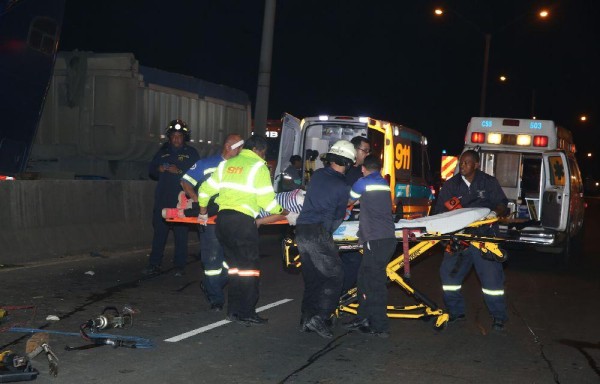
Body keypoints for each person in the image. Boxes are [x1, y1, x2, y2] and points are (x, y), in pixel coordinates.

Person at [197, 135, 289, 325]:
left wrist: (203, 213)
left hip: (222, 222)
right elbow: (266, 201)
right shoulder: (258, 167)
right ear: (258, 150)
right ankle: (246, 311)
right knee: (249, 270)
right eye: (264, 153)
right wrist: (282, 211)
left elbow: (204, 191)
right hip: (242, 222)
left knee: (235, 270)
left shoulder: (225, 165)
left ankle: (233, 311)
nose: (264, 156)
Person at [434, 150, 509, 331]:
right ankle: (456, 312)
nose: (463, 166)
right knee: (448, 277)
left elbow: (502, 204)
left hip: (484, 237)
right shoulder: (451, 185)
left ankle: (499, 317)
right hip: (459, 239)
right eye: (461, 163)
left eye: (467, 163)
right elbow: (439, 211)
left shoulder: (488, 182)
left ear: (476, 165)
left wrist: (494, 213)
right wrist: (443, 236)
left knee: (492, 283)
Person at [295, 140, 356, 339]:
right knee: (334, 276)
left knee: (313, 277)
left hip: (302, 230)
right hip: (318, 232)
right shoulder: (342, 186)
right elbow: (337, 217)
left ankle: (306, 318)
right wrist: (327, 235)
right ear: (347, 163)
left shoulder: (318, 175)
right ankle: (320, 317)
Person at [180, 134, 244, 311]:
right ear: (230, 147)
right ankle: (215, 297)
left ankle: (210, 284)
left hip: (233, 220)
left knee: (234, 260)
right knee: (213, 261)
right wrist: (198, 199)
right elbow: (185, 181)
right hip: (211, 221)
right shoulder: (206, 164)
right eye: (239, 148)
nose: (241, 151)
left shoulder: (240, 166)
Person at [343, 155, 397, 338]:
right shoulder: (382, 183)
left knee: (375, 284)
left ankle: (380, 325)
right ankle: (363, 317)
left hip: (376, 240)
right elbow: (365, 200)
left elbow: (348, 201)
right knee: (363, 279)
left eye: (362, 169)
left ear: (364, 169)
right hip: (385, 239)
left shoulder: (362, 182)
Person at [144, 119, 200, 276]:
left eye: (179, 136)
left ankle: (179, 266)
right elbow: (151, 171)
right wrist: (159, 169)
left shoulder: (191, 154)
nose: (176, 139)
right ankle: (154, 263)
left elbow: (198, 176)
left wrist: (180, 172)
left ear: (184, 137)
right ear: (169, 137)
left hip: (181, 201)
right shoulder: (162, 152)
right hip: (163, 199)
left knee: (180, 234)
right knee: (159, 233)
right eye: (174, 136)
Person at [340, 136, 372, 293]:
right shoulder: (345, 169)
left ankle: (343, 293)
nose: (367, 154)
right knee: (352, 261)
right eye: (364, 150)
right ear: (355, 149)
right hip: (343, 222)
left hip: (353, 222)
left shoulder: (361, 172)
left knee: (353, 261)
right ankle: (338, 295)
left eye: (368, 151)